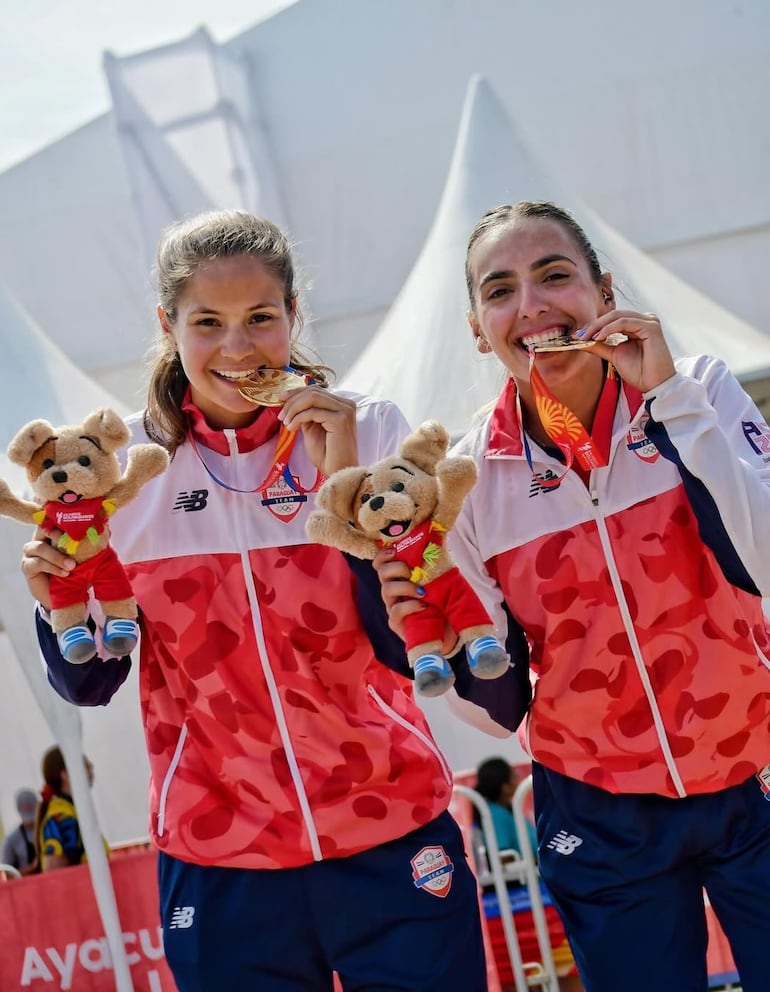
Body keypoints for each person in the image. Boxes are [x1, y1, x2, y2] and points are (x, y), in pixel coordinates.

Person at [20, 210, 486, 991]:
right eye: (208, 322)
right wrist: (52, 601)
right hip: (220, 858)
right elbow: (89, 685)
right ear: (168, 327)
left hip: (390, 828)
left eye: (260, 318)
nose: (238, 348)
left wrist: (341, 483)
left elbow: (410, 645)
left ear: (293, 316)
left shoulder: (371, 431)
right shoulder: (121, 470)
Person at [375, 200, 770, 992]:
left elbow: (762, 560)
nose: (531, 306)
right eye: (500, 291)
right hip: (599, 808)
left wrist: (669, 401)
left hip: (755, 767)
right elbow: (498, 708)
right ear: (478, 328)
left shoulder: (697, 390)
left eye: (554, 276)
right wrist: (437, 639)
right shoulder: (462, 485)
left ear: (604, 291)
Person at [36, 745, 94, 871]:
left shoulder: (70, 810)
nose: (91, 767)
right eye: (84, 765)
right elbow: (53, 869)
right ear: (65, 775)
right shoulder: (61, 815)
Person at [1, 787, 39, 875]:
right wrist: (32, 867)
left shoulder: (50, 831)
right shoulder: (11, 840)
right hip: (28, 883)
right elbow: (6, 874)